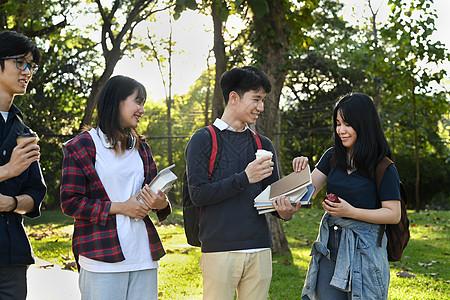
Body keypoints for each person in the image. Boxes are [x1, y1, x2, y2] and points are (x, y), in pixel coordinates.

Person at [185, 66, 300, 300]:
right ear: (234, 98)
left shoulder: (263, 144)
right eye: (256, 99)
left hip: (259, 247)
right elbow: (198, 194)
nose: (261, 107)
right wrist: (244, 178)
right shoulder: (203, 139)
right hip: (219, 249)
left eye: (263, 100)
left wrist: (286, 211)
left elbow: (272, 197)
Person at [60, 75, 171, 300]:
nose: (142, 109)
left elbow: (155, 194)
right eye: (137, 101)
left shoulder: (142, 147)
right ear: (116, 101)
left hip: (142, 255)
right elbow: (70, 202)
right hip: (101, 257)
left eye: (143, 103)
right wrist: (120, 207)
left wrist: (161, 203)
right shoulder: (82, 146)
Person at [292, 93, 402, 300]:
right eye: (338, 123)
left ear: (364, 125)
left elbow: (393, 214)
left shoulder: (382, 166)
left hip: (366, 248)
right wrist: (300, 172)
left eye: (347, 124)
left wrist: (351, 212)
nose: (341, 130)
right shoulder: (333, 156)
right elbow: (305, 193)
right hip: (330, 247)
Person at [0, 30, 47, 300]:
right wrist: (8, 171)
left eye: (31, 65)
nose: (27, 71)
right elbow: (15, 172)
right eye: (21, 62)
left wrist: (12, 204)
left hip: (13, 258)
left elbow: (36, 193)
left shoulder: (23, 130)